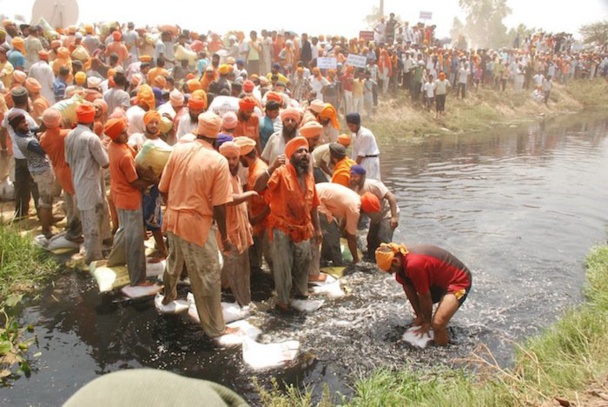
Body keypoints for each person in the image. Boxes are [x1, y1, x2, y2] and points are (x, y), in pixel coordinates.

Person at [158, 111, 238, 338]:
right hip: (196, 224)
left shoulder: (179, 150)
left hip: (173, 218)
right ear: (216, 138)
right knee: (208, 274)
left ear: (198, 132)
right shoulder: (217, 161)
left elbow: (162, 188)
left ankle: (168, 296)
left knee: (174, 261)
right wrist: (225, 237)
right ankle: (215, 328)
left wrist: (175, 204)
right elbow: (221, 205)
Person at [255, 136, 322, 312]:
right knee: (283, 265)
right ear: (291, 155)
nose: (304, 154)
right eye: (300, 151)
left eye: (306, 151)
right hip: (281, 227)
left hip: (303, 227)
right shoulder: (281, 172)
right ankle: (283, 301)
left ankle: (301, 294)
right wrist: (271, 168)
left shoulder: (308, 175)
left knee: (304, 260)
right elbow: (258, 187)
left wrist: (318, 229)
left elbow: (314, 203)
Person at [375, 243, 472, 346]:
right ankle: (426, 320)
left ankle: (443, 352)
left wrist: (427, 323)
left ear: (395, 261)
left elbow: (424, 296)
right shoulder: (402, 264)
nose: (391, 273)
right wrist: (419, 315)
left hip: (458, 281)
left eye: (390, 270)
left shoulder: (413, 265)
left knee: (438, 324)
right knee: (407, 285)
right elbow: (409, 289)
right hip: (437, 282)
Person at [104, 118, 157, 286]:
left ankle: (114, 261)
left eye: (125, 131)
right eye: (122, 133)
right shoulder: (124, 155)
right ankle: (138, 279)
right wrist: (153, 181)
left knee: (123, 230)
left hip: (118, 196)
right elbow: (135, 182)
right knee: (135, 242)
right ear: (114, 135)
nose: (126, 135)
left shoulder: (113, 146)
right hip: (130, 200)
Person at [64, 103, 111, 264]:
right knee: (91, 221)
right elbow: (105, 163)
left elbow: (68, 161)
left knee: (96, 215)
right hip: (90, 183)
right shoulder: (91, 138)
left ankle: (102, 245)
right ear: (92, 120)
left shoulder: (70, 135)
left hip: (78, 180)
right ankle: (93, 257)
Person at [218, 141, 256, 307]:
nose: (232, 162)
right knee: (238, 272)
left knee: (234, 271)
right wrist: (250, 194)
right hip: (229, 233)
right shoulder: (221, 177)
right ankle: (243, 305)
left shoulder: (236, 176)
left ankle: (229, 300)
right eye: (227, 158)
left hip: (239, 231)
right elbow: (229, 200)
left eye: (234, 158)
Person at [8, 110, 55, 238]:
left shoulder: (23, 132)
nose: (26, 123)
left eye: (25, 120)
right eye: (23, 122)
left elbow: (38, 128)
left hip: (36, 169)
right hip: (41, 172)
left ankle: (47, 220)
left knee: (45, 197)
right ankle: (46, 229)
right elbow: (44, 150)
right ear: (17, 126)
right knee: (44, 199)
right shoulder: (27, 141)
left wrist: (46, 120)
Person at [39, 108, 81, 242]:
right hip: (70, 170)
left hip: (58, 171)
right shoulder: (67, 133)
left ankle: (70, 227)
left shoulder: (43, 137)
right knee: (76, 204)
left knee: (69, 201)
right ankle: (75, 232)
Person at [0, 87, 39, 220]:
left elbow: (3, 129)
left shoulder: (8, 114)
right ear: (26, 100)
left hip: (17, 156)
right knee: (35, 185)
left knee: (21, 186)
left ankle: (21, 213)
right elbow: (36, 135)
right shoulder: (26, 117)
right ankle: (41, 214)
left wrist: (4, 147)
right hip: (30, 156)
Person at [349, 164, 399, 259]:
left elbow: (391, 197)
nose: (352, 179)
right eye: (351, 176)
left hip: (386, 213)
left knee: (383, 239)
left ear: (363, 177)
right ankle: (373, 260)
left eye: (355, 176)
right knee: (371, 240)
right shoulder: (353, 189)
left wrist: (394, 217)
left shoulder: (373, 185)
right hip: (375, 217)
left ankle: (391, 261)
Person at [345, 112, 381, 181]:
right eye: (349, 126)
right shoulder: (354, 135)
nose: (350, 128)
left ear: (358, 124)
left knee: (371, 182)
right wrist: (351, 165)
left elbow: (361, 155)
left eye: (352, 126)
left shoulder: (365, 135)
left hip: (370, 161)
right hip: (362, 162)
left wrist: (353, 168)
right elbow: (355, 152)